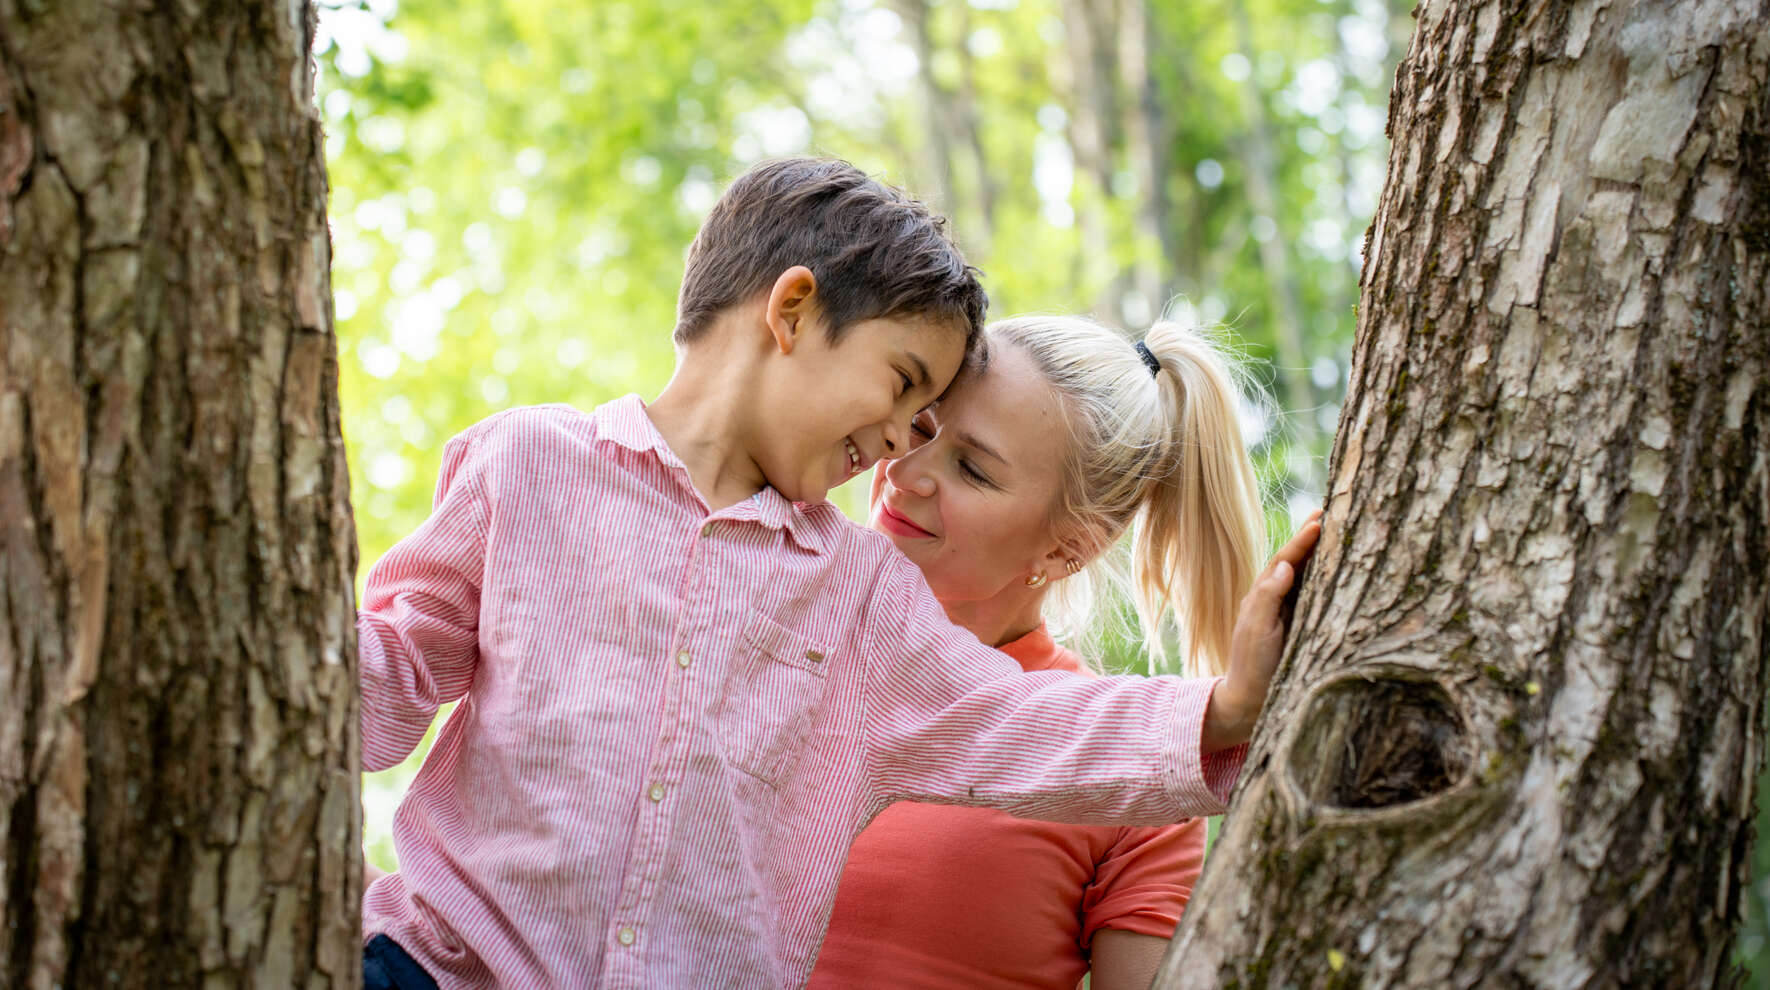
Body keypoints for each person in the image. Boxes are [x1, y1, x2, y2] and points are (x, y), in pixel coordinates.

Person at [356, 156, 1321, 989]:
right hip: (429, 970)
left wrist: (1225, 708)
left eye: (956, 445)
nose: (905, 445)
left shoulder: (861, 596)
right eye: (908, 389)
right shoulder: (528, 465)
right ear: (792, 310)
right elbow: (389, 673)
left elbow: (1017, 719)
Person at [809, 314, 1290, 989]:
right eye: (920, 425)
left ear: (1068, 548)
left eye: (972, 470)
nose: (905, 473)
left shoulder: (1148, 766)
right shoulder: (777, 633)